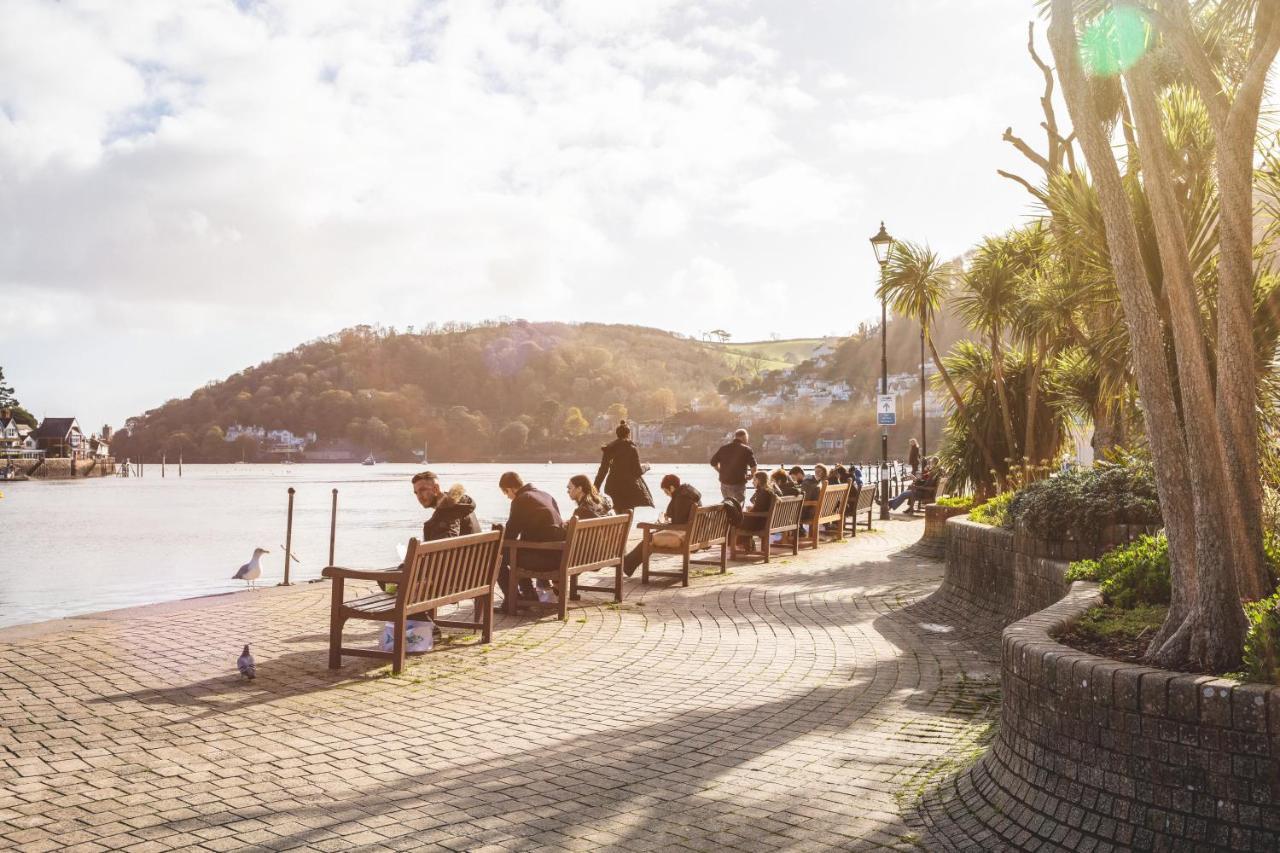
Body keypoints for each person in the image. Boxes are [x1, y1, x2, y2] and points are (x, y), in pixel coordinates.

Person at [497, 471, 567, 601]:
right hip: (560, 556)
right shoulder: (546, 495)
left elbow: (510, 533)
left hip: (544, 559)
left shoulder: (521, 500)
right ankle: (528, 594)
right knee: (514, 551)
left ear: (510, 489)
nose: (507, 497)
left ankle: (514, 599)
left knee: (497, 557)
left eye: (506, 493)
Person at [622, 474, 701, 576]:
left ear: (672, 487)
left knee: (649, 538)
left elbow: (677, 523)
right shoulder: (690, 494)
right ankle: (628, 563)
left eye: (666, 491)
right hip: (695, 534)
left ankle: (627, 564)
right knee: (652, 535)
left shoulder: (681, 498)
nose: (666, 494)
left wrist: (662, 524)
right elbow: (681, 519)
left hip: (686, 536)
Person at [594, 421, 654, 514]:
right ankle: (626, 528)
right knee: (628, 515)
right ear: (629, 434)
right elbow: (637, 471)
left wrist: (595, 488)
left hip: (613, 487)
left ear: (617, 434)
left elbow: (603, 470)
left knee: (619, 515)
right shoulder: (631, 448)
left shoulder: (609, 448)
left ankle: (620, 527)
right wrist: (646, 467)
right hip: (629, 488)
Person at [412, 471, 482, 541]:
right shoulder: (462, 505)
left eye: (422, 490)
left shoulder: (447, 512)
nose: (419, 496)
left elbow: (445, 543)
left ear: (436, 488)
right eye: (416, 493)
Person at [733, 471, 780, 556]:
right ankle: (747, 545)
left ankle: (744, 546)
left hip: (762, 523)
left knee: (736, 521)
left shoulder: (763, 493)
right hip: (767, 521)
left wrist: (746, 512)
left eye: (754, 480)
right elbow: (760, 508)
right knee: (742, 519)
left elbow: (757, 510)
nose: (752, 482)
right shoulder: (769, 491)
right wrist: (751, 510)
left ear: (759, 480)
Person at [709, 428, 757, 504]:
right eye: (747, 438)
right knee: (738, 508)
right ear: (743, 437)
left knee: (728, 508)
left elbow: (713, 463)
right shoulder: (746, 450)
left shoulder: (723, 448)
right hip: (738, 484)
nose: (747, 440)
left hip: (724, 484)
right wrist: (751, 476)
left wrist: (720, 471)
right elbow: (753, 466)